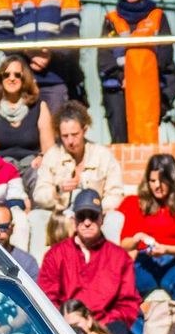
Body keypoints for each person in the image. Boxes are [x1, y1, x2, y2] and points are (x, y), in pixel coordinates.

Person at [38, 189, 140, 334]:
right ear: (73, 220)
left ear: (102, 219)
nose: (87, 222)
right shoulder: (56, 255)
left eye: (92, 216)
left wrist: (98, 325)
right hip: (67, 325)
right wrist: (71, 321)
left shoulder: (119, 257)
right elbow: (47, 297)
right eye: (81, 216)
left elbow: (127, 303)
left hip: (107, 325)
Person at [115, 154, 175, 312]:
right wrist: (138, 238)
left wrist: (166, 249)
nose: (157, 186)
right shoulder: (135, 203)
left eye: (162, 181)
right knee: (123, 281)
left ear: (172, 180)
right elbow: (123, 243)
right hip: (145, 261)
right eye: (152, 181)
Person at [98, 0, 175, 146]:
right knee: (120, 141)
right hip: (119, 88)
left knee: (147, 141)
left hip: (149, 89)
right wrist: (123, 77)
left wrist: (139, 79)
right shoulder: (112, 19)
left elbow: (165, 55)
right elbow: (104, 58)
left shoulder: (158, 17)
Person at [32, 102, 122, 242]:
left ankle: (110, 262)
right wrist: (58, 190)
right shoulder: (52, 156)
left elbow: (116, 193)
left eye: (74, 134)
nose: (70, 141)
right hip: (60, 216)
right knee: (35, 217)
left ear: (84, 130)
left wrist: (96, 209)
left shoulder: (102, 155)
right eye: (65, 136)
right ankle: (38, 264)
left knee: (115, 218)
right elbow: (39, 195)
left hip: (94, 215)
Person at [0, 0, 82, 107]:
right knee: (20, 123)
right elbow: (3, 34)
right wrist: (28, 51)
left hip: (55, 77)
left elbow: (71, 31)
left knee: (53, 124)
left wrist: (49, 52)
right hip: (19, 79)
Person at [0, 57, 53, 196]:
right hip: (2, 170)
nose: (12, 78)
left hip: (32, 167)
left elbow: (49, 149)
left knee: (42, 184)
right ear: (0, 79)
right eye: (6, 74)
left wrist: (41, 157)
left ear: (25, 79)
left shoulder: (39, 107)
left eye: (17, 74)